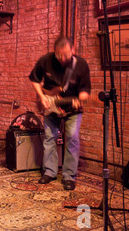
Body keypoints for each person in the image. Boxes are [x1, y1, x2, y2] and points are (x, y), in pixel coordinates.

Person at [29, 36, 91, 191]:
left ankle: (69, 176)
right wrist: (42, 97)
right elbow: (34, 79)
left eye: (66, 55)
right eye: (59, 55)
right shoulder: (46, 60)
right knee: (50, 138)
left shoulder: (81, 65)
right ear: (54, 52)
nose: (62, 58)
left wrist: (81, 98)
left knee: (72, 138)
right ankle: (50, 171)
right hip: (50, 106)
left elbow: (85, 90)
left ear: (73, 50)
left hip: (72, 108)